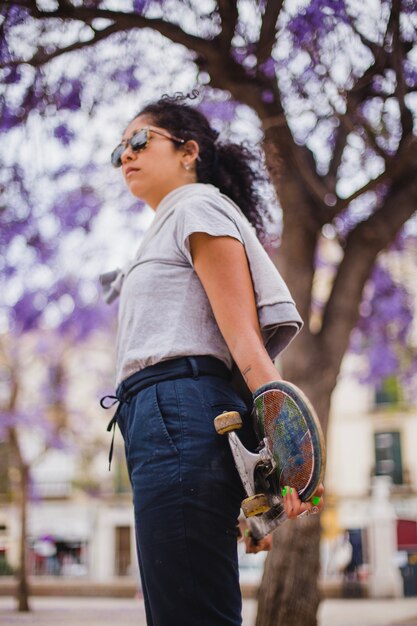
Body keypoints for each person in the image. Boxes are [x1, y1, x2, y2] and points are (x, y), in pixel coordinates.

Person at [100, 93, 324, 626]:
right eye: (117, 152)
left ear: (188, 151)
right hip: (165, 417)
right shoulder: (168, 223)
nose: (125, 155)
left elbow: (243, 339)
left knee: (188, 612)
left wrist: (289, 459)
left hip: (178, 410)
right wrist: (252, 490)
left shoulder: (197, 207)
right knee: (183, 603)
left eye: (138, 140)